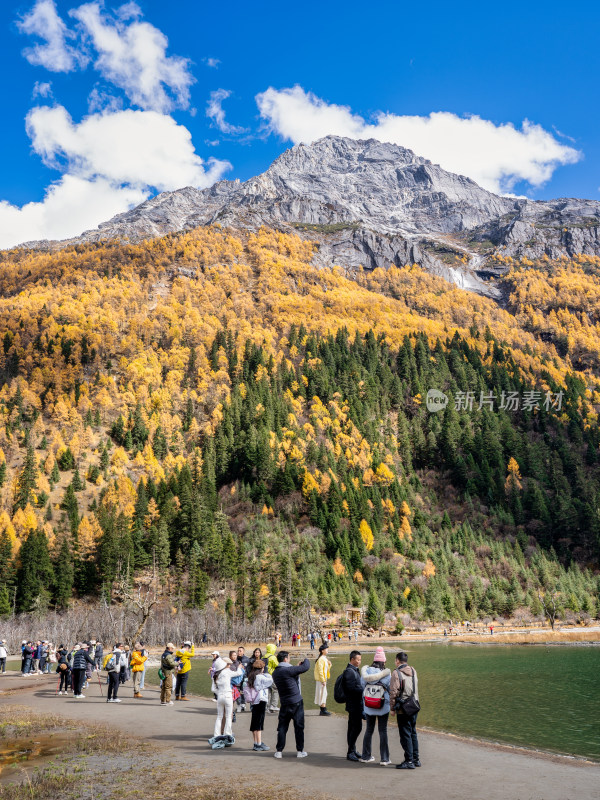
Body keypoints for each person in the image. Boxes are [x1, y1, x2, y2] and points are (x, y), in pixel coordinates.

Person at [271, 651, 309, 759]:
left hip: (284, 702)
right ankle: (300, 751)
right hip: (296, 702)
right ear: (285, 659)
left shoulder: (275, 672)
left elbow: (291, 675)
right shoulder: (288, 670)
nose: (290, 659)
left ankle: (279, 751)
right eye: (289, 657)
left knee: (282, 728)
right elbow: (306, 667)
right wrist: (305, 659)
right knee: (299, 727)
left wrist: (296, 668)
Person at [360, 647, 392, 765]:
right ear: (383, 661)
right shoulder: (387, 674)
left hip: (368, 706)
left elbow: (362, 685)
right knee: (382, 731)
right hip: (383, 706)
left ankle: (365, 756)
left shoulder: (366, 672)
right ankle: (384, 759)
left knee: (369, 730)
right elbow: (391, 689)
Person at [389, 650, 420, 769]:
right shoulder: (413, 670)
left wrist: (392, 708)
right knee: (413, 732)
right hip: (414, 705)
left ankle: (409, 761)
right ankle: (416, 759)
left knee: (405, 734)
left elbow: (393, 692)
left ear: (397, 661)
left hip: (403, 708)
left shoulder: (396, 673)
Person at [212, 656, 245, 739]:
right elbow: (238, 673)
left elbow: (213, 689)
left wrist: (219, 693)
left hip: (220, 696)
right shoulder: (227, 672)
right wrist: (240, 668)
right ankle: (228, 734)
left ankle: (216, 734)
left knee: (219, 716)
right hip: (228, 695)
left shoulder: (215, 675)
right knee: (228, 716)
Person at [244, 659, 272, 751]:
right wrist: (267, 674)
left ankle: (256, 743)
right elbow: (271, 681)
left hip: (254, 701)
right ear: (262, 668)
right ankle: (259, 744)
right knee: (259, 723)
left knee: (254, 722)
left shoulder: (251, 676)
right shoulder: (261, 677)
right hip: (261, 700)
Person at [343, 650, 365, 761]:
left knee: (352, 727)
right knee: (356, 727)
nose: (359, 661)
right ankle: (350, 751)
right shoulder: (349, 672)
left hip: (355, 704)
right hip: (353, 704)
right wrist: (363, 689)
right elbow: (350, 688)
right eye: (358, 659)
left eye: (360, 660)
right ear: (352, 659)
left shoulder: (354, 670)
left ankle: (352, 749)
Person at [314, 642, 332, 716]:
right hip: (321, 679)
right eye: (326, 649)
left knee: (324, 693)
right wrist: (323, 680)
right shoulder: (321, 659)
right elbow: (320, 670)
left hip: (322, 679)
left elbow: (325, 669)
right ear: (322, 651)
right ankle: (323, 710)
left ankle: (323, 709)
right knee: (323, 694)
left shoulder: (323, 658)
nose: (327, 650)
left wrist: (329, 664)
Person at [264, 643, 279, 712]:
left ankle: (267, 706)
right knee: (276, 690)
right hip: (272, 676)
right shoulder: (272, 657)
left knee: (268, 691)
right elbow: (277, 666)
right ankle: (273, 705)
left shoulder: (264, 657)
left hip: (264, 676)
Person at [235, 646, 250, 713]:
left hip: (245, 678)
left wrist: (248, 677)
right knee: (238, 691)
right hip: (238, 679)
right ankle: (239, 704)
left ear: (243, 652)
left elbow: (249, 669)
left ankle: (243, 704)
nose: (239, 652)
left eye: (240, 651)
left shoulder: (247, 659)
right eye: (238, 651)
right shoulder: (235, 660)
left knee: (243, 691)